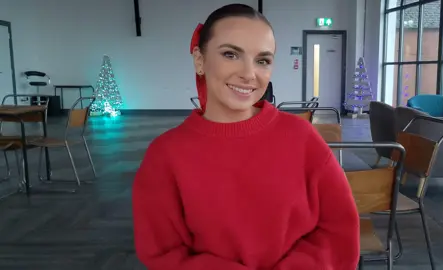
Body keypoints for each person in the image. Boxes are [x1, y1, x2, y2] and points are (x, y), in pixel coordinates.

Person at [133, 3, 359, 270]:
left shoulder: (301, 137)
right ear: (199, 60)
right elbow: (163, 253)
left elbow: (339, 230)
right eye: (230, 54)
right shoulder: (165, 155)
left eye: (262, 60)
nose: (249, 74)